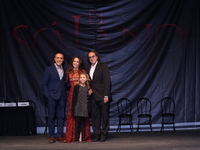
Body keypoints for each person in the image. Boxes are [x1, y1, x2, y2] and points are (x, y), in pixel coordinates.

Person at [85, 50, 111, 142]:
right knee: (95, 117)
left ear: (97, 57)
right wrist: (89, 89)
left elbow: (107, 81)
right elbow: (86, 81)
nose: (91, 58)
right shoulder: (87, 67)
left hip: (103, 96)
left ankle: (104, 134)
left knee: (104, 117)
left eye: (93, 56)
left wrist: (106, 95)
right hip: (92, 97)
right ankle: (96, 134)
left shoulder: (103, 66)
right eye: (90, 57)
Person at [65, 56, 91, 143]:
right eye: (74, 61)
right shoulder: (68, 72)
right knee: (73, 115)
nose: (76, 63)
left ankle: (82, 136)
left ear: (80, 63)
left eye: (78, 61)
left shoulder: (83, 72)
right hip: (72, 94)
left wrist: (89, 89)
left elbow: (87, 83)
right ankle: (72, 136)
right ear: (72, 62)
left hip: (81, 94)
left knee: (83, 116)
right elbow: (65, 84)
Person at [41, 53, 66, 143]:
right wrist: (48, 96)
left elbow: (64, 83)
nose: (59, 59)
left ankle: (59, 136)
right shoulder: (49, 69)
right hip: (51, 97)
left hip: (61, 97)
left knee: (61, 117)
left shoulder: (65, 70)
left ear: (63, 60)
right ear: (54, 59)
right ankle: (51, 136)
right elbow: (44, 84)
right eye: (58, 58)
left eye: (61, 58)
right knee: (51, 117)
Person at [72, 73, 92, 143]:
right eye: (81, 77)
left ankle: (83, 138)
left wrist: (89, 94)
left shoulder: (88, 87)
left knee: (83, 123)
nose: (82, 79)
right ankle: (76, 138)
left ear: (86, 79)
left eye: (84, 77)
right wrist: (73, 108)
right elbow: (74, 98)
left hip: (84, 107)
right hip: (78, 106)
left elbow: (89, 98)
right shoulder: (77, 87)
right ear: (79, 79)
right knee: (77, 122)